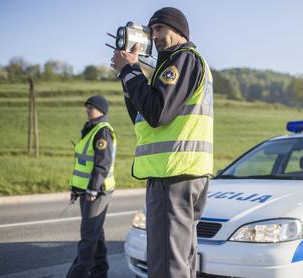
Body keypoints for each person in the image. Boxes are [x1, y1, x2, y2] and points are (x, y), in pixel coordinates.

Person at [111, 7, 213, 278]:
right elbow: (142, 115)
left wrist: (131, 71)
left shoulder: (182, 60)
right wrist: (128, 77)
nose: (154, 36)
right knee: (180, 259)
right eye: (151, 30)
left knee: (167, 263)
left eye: (159, 29)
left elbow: (157, 112)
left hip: (173, 173)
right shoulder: (172, 65)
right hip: (180, 173)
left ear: (179, 31)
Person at [67, 95, 117, 278]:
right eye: (87, 107)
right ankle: (99, 272)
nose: (87, 109)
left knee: (88, 236)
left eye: (91, 107)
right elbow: (83, 164)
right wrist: (76, 190)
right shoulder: (90, 129)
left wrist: (93, 189)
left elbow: (102, 164)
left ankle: (76, 275)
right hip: (87, 190)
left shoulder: (102, 131)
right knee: (96, 232)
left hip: (98, 191)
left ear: (101, 110)